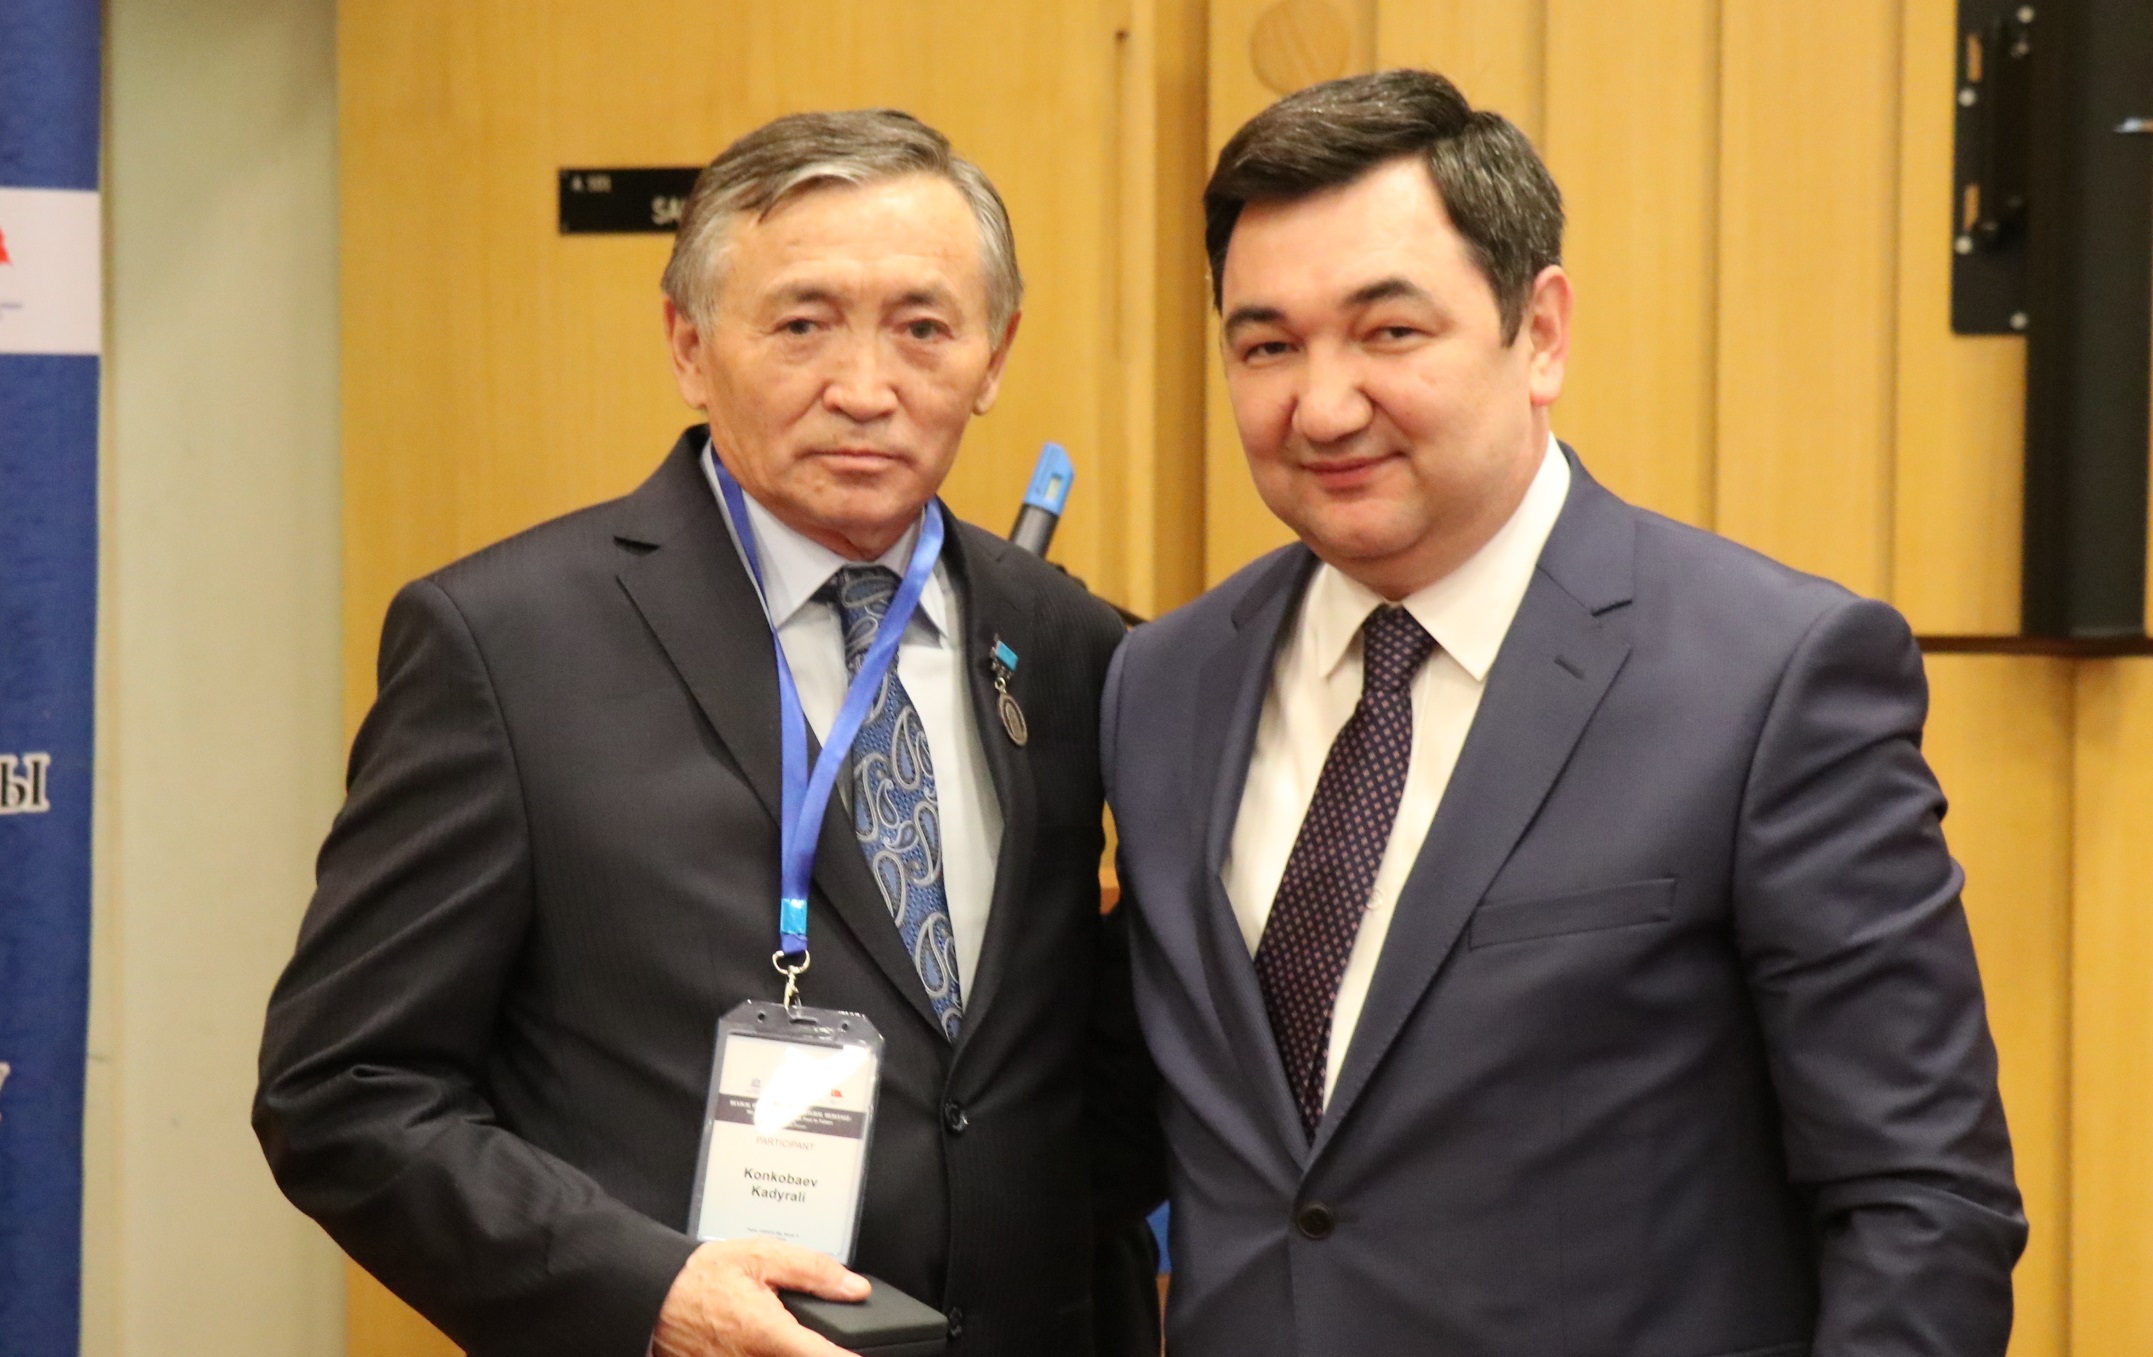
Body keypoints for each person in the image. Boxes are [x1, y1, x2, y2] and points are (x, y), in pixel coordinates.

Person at [1104, 69, 2025, 1356]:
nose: (1320, 406)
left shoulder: (1768, 679)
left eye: (1388, 333)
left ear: (1537, 332)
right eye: (1266, 347)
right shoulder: (1162, 682)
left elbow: (1921, 1202)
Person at [256, 109, 1161, 1357]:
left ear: (993, 357)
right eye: (800, 325)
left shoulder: (1075, 646)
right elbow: (345, 1090)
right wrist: (648, 1294)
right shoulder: (506, 646)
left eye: (922, 328)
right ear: (688, 344)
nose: (864, 389)